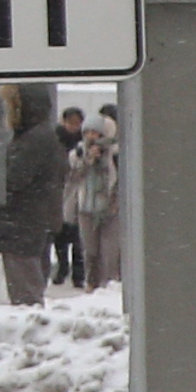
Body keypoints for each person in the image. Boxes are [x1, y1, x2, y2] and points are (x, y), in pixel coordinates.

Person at [0, 82, 59, 308]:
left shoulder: (34, 140)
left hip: (22, 227)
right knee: (27, 289)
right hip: (29, 225)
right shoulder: (38, 136)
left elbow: (14, 179)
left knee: (25, 299)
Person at [68, 104, 123, 290]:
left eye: (96, 133)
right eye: (88, 133)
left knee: (109, 252)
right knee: (90, 252)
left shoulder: (115, 154)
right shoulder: (77, 153)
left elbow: (119, 180)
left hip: (110, 209)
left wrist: (105, 158)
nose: (91, 137)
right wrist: (88, 160)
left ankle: (109, 285)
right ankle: (91, 284)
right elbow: (73, 178)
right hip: (86, 208)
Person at [46, 105, 93, 286]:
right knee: (61, 235)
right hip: (61, 192)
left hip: (77, 192)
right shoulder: (56, 140)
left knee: (78, 237)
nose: (74, 127)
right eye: (70, 123)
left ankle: (78, 273)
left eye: (77, 123)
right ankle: (63, 267)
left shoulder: (86, 142)